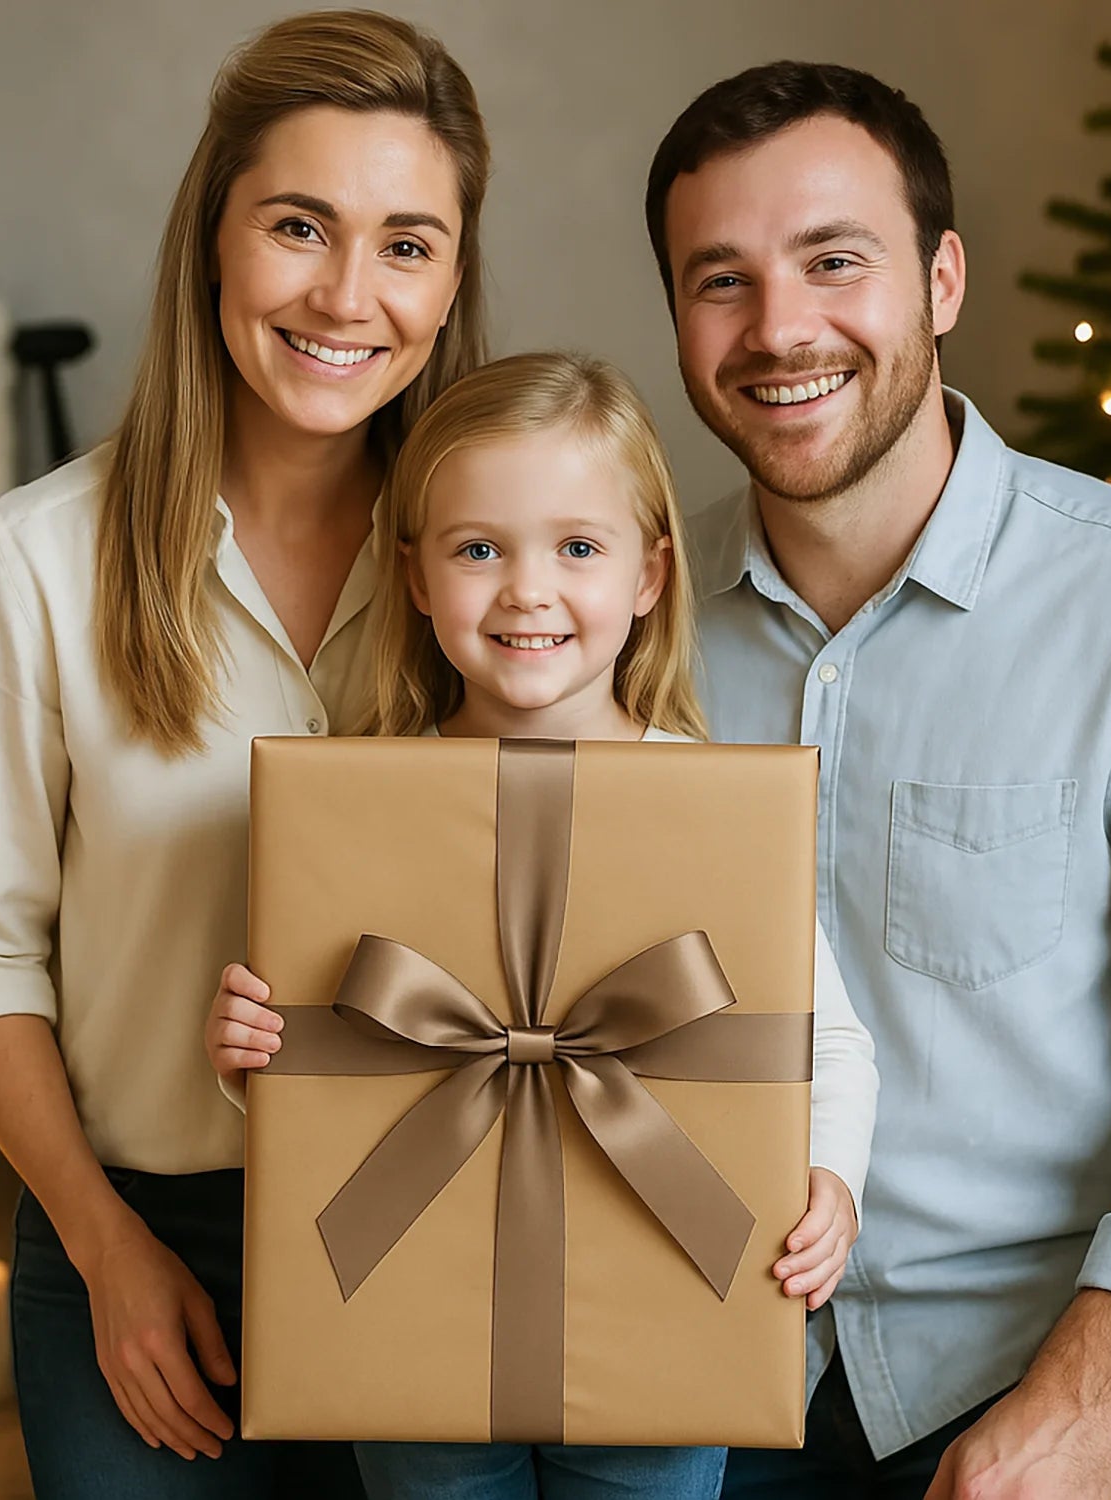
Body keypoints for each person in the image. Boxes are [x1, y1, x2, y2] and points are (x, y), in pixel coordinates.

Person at [643, 61, 1111, 1500]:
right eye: (722, 280)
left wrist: (1081, 1404)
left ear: (943, 280)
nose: (780, 329)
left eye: (835, 262)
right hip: (704, 1364)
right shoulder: (626, 625)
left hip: (1051, 1366)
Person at [0, 11, 488, 1496]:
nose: (350, 295)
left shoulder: (510, 570)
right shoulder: (34, 560)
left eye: (409, 244)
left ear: (453, 278)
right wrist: (108, 1248)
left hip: (451, 1218)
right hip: (137, 1224)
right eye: (300, 226)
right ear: (212, 241)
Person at [206, 350, 881, 1500]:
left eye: (577, 547)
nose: (527, 590)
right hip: (414, 1320)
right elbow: (316, 1062)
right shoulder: (350, 809)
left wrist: (833, 1179)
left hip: (667, 1313)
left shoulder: (720, 809)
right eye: (480, 549)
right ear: (414, 575)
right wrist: (243, 1057)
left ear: (650, 574)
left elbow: (820, 1039)